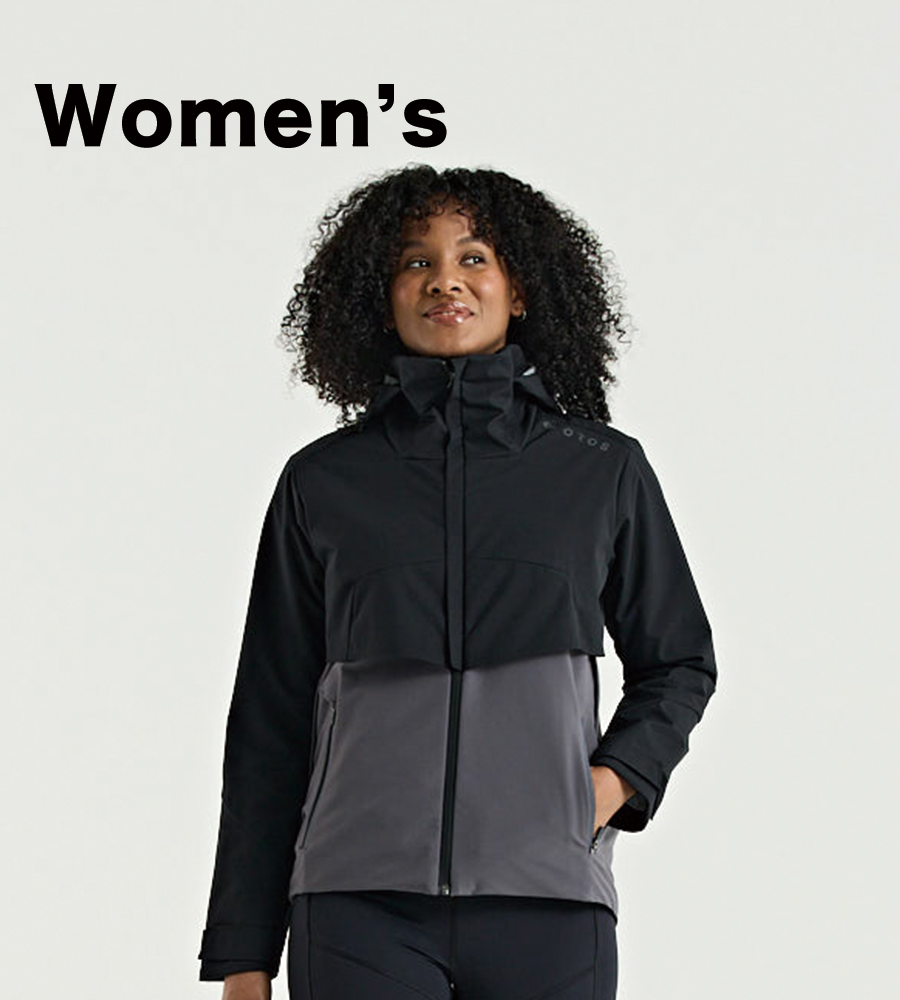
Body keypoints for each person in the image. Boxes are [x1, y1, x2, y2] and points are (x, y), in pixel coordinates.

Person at [197, 165, 717, 1000]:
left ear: (520, 290)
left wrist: (607, 786)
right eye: (415, 261)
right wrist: (243, 951)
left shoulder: (600, 470)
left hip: (549, 902)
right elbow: (270, 714)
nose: (445, 279)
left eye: (474, 257)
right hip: (356, 905)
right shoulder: (324, 481)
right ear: (381, 298)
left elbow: (680, 660)